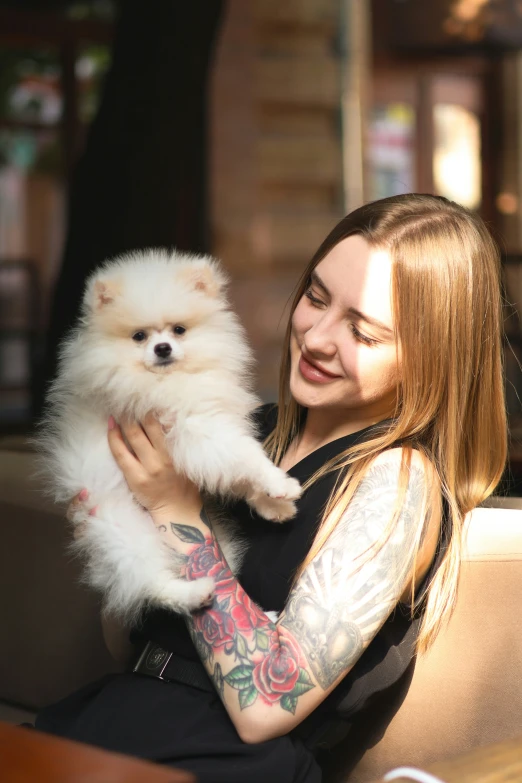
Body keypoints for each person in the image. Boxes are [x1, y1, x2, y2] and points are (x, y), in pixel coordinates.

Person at [35, 194, 507, 782]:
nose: (317, 337)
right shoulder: (240, 430)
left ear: (430, 358)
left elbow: (264, 707)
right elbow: (130, 642)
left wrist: (174, 513)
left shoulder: (398, 480)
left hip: (222, 761)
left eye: (363, 331)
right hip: (115, 720)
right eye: (315, 297)